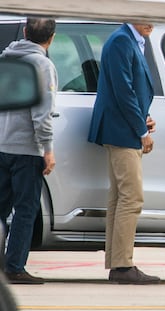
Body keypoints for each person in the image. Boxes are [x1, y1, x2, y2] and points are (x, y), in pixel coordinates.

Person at [88, 23, 160, 285]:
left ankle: (117, 263)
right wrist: (141, 130)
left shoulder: (130, 39)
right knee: (131, 196)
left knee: (119, 197)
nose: (152, 20)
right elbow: (123, 90)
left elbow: (133, 90)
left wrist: (145, 117)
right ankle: (122, 264)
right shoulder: (121, 41)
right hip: (122, 131)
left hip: (123, 127)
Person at [0, 17, 57, 284]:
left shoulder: (6, 59)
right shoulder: (42, 65)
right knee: (26, 209)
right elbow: (42, 112)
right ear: (52, 37)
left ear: (24, 31)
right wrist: (47, 149)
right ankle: (14, 267)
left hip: (1, 145)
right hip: (26, 149)